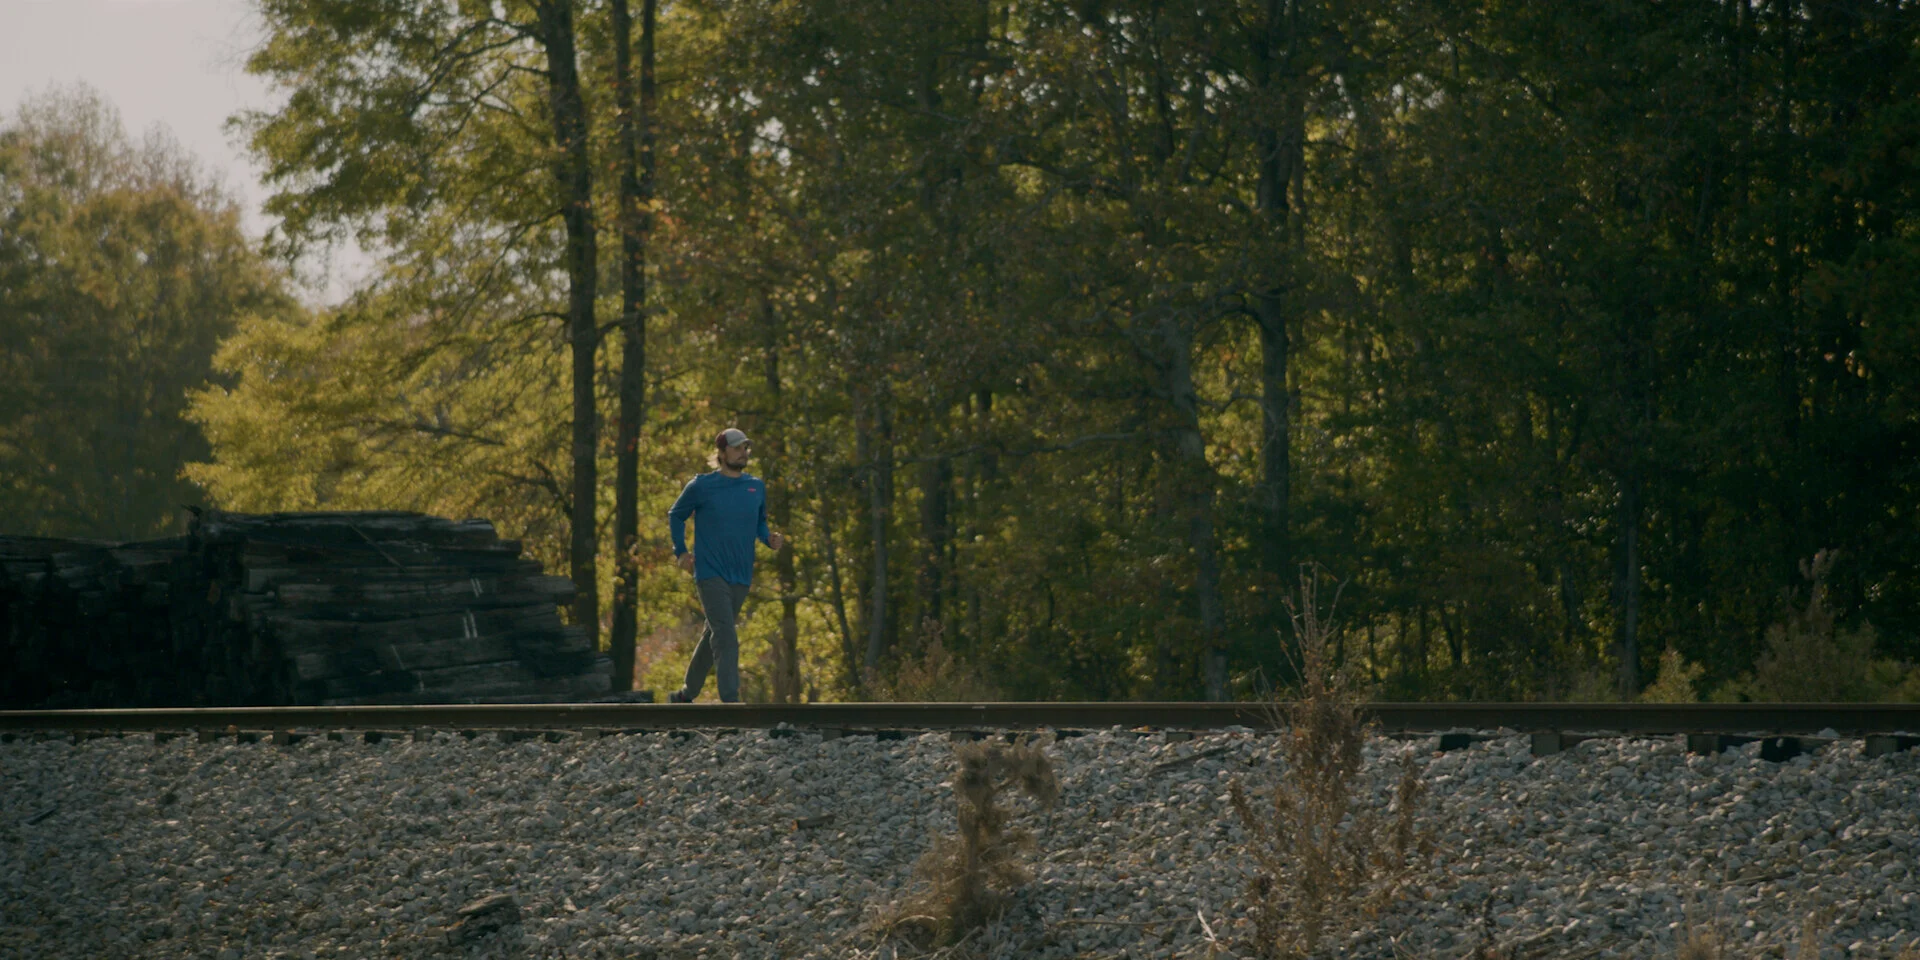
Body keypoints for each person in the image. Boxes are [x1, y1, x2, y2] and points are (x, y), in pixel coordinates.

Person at [665, 427, 787, 703]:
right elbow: (676, 515)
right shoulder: (701, 486)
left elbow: (760, 523)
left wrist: (770, 539)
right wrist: (681, 553)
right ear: (721, 453)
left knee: (715, 633)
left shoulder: (755, 486)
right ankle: (731, 703)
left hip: (741, 576)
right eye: (737, 448)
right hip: (710, 573)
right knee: (727, 637)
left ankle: (686, 694)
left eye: (745, 447)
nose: (743, 452)